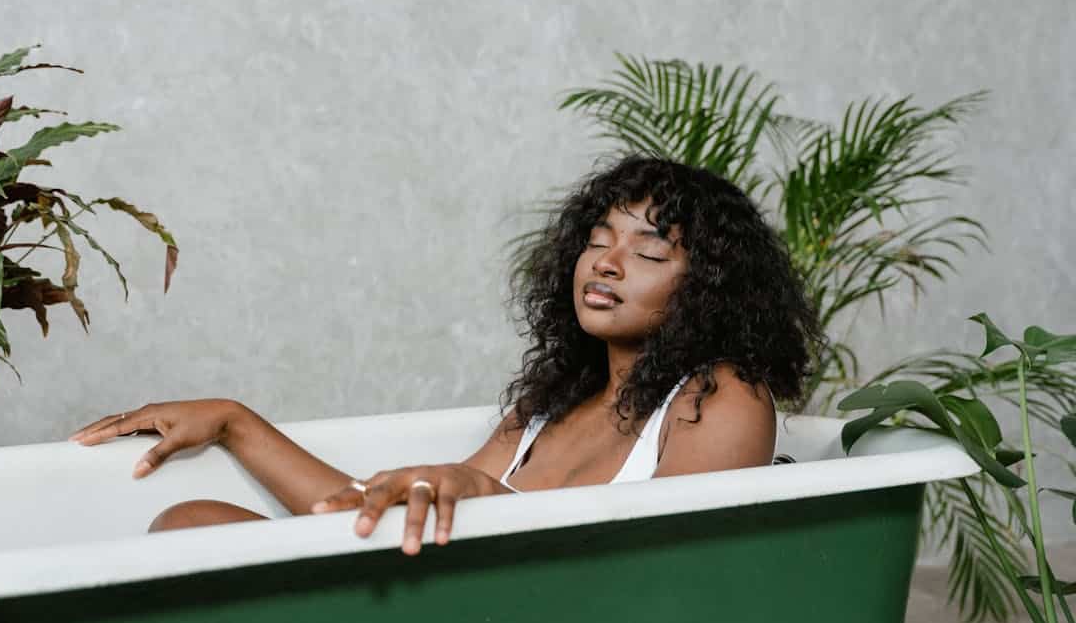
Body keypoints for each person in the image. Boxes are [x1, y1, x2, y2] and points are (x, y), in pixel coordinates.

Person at [69, 154, 821, 555]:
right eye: (598, 240)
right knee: (192, 520)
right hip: (459, 607)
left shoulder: (717, 397)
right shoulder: (551, 404)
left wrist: (493, 500)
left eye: (648, 250)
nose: (608, 262)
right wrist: (234, 421)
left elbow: (670, 574)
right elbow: (396, 511)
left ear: (709, 289)